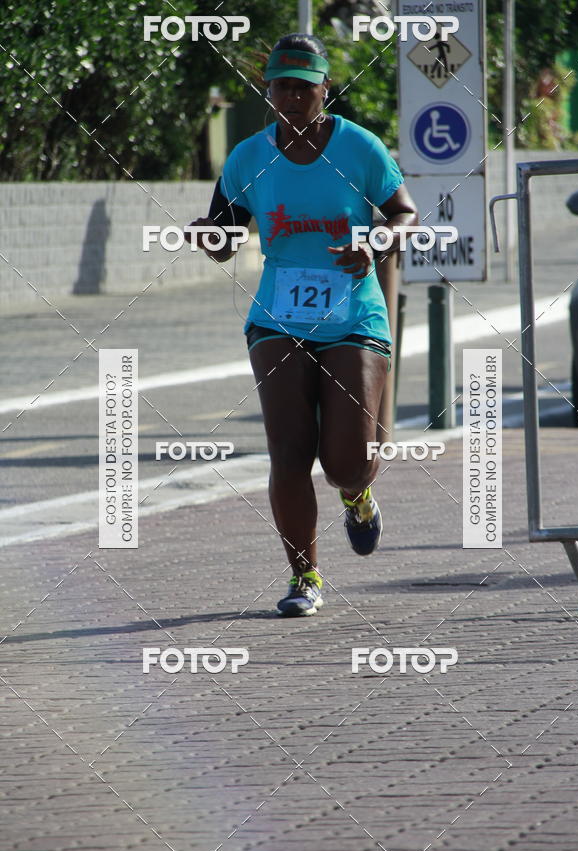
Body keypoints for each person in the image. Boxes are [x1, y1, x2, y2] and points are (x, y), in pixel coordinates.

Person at [186, 33, 418, 617]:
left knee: (345, 459)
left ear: (324, 90)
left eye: (302, 88)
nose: (290, 98)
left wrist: (377, 239)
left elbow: (404, 214)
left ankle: (358, 493)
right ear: (268, 91)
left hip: (352, 316)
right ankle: (305, 576)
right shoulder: (247, 157)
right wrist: (208, 237)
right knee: (289, 453)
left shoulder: (360, 148)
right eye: (279, 87)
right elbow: (225, 235)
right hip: (277, 317)